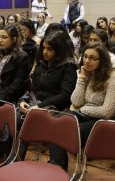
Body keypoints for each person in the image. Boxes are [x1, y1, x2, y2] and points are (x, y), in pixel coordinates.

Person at [19, 31, 77, 170]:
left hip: (56, 108)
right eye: (43, 48)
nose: (45, 52)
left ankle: (58, 166)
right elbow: (31, 89)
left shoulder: (68, 66)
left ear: (59, 49)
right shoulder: (41, 64)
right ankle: (15, 158)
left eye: (50, 49)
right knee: (15, 116)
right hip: (36, 106)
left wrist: (39, 107)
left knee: (54, 122)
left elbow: (65, 96)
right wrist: (24, 100)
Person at [61, 43, 115, 171]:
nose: (87, 61)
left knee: (66, 129)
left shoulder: (114, 79)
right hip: (85, 115)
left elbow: (107, 112)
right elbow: (76, 101)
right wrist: (82, 78)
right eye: (85, 56)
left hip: (103, 122)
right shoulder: (89, 73)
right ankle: (58, 165)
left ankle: (62, 166)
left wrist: (82, 110)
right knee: (59, 122)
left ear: (103, 61)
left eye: (92, 58)